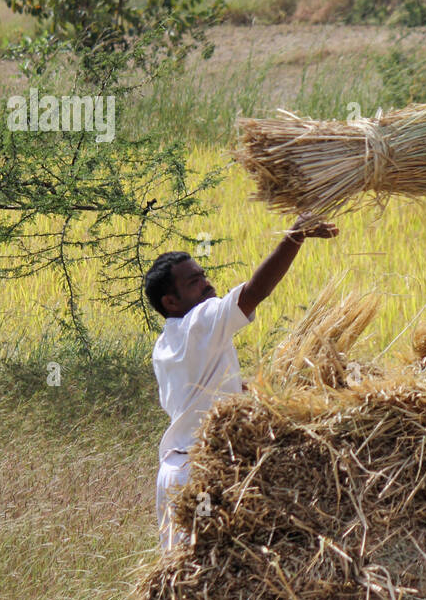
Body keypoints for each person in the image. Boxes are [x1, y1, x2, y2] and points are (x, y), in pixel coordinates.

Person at [143, 215, 338, 552]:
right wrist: (294, 237)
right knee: (210, 567)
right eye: (194, 282)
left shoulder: (165, 346)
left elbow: (203, 393)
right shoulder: (201, 322)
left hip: (173, 475)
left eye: (203, 276)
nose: (207, 284)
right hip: (200, 474)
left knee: (183, 573)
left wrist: (258, 392)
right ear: (170, 303)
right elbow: (254, 292)